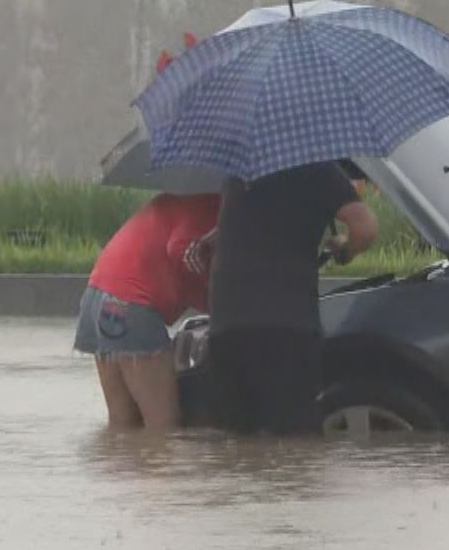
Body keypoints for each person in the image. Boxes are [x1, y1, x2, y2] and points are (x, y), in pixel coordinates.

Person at [206, 160, 378, 436]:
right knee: (295, 443)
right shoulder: (317, 169)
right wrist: (344, 250)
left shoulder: (239, 170)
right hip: (286, 325)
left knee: (235, 444)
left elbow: (247, 226)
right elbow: (366, 228)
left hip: (228, 324)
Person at [73, 192, 221, 431]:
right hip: (132, 304)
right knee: (163, 428)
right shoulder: (214, 208)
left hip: (96, 296)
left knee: (123, 425)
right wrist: (214, 301)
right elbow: (179, 248)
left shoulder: (178, 200)